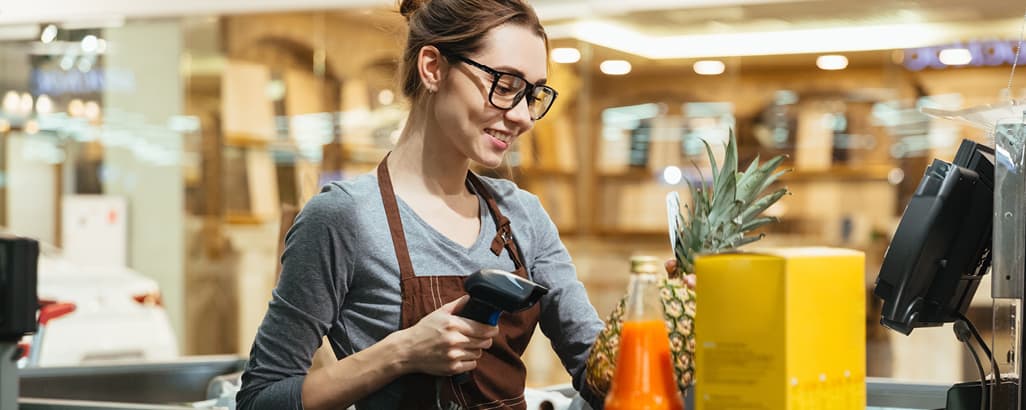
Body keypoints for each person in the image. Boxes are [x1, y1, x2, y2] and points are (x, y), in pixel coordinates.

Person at [237, 0, 608, 409]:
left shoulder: (522, 214)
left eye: (533, 94)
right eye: (505, 87)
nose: (523, 117)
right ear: (432, 67)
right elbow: (261, 399)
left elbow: (600, 375)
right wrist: (401, 352)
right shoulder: (344, 217)